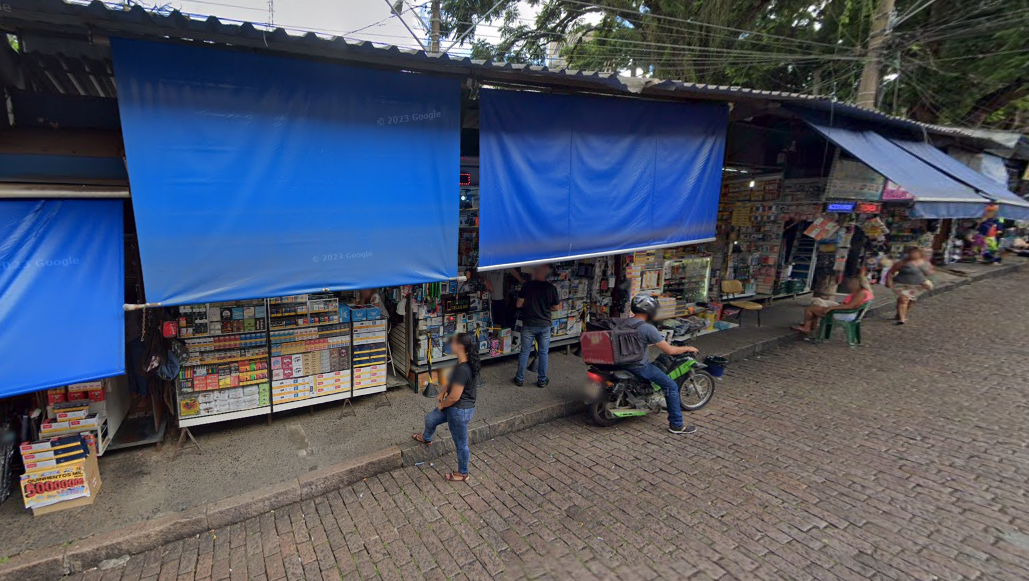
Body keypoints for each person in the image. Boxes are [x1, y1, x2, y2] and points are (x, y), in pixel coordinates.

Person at [624, 294, 699, 435]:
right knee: (671, 386)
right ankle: (676, 424)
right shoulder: (647, 328)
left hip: (621, 363)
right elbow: (670, 350)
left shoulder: (624, 322)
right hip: (639, 366)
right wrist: (687, 348)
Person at [412, 333, 479, 482]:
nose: (451, 345)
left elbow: (455, 396)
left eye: (453, 343)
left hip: (458, 411)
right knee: (430, 419)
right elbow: (453, 381)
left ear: (460, 347)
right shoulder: (463, 362)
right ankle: (426, 437)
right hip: (455, 407)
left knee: (461, 444)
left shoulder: (463, 369)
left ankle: (463, 473)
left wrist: (442, 404)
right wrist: (442, 391)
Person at [513, 264, 561, 388]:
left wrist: (529, 305)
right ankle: (542, 380)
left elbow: (518, 304)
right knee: (543, 353)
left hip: (528, 324)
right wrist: (546, 308)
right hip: (544, 324)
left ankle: (519, 379)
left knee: (524, 352)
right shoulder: (551, 288)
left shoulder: (527, 286)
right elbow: (556, 307)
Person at [790, 276, 874, 335]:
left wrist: (831, 308)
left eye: (851, 283)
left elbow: (850, 306)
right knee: (817, 301)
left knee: (810, 309)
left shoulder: (861, 293)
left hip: (846, 313)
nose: (849, 285)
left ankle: (807, 327)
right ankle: (812, 325)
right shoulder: (865, 292)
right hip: (849, 311)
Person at [886, 247, 935, 325]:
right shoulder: (902, 262)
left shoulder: (924, 262)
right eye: (912, 253)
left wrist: (928, 280)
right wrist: (888, 281)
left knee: (910, 301)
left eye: (916, 253)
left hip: (917, 286)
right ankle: (902, 318)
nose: (914, 254)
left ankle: (899, 314)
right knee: (903, 299)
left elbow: (929, 272)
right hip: (901, 284)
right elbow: (891, 272)